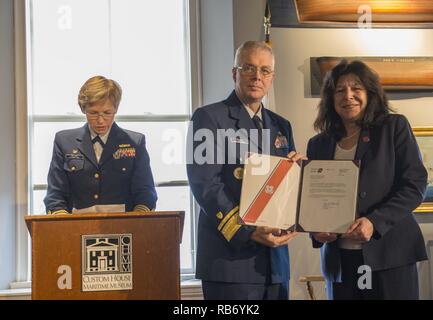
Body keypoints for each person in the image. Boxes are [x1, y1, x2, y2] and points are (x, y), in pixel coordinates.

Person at [187, 41, 302, 300]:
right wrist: (246, 232)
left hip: (275, 263)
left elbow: (284, 190)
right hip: (230, 262)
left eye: (264, 70)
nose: (256, 76)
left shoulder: (281, 126)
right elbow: (205, 185)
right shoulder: (208, 118)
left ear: (272, 77)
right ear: (234, 73)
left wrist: (298, 174)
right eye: (248, 67)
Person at [308, 60, 428, 299]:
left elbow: (414, 185)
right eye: (340, 90)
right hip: (340, 262)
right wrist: (315, 230)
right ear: (331, 98)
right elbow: (313, 199)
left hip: (390, 256)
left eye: (356, 88)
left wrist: (374, 222)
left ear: (370, 93)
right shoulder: (318, 144)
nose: (348, 96)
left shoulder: (393, 127)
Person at [44, 75, 157, 214]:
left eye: (107, 113)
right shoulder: (64, 141)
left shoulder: (134, 142)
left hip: (124, 227)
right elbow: (55, 194)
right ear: (83, 109)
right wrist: (62, 220)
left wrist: (139, 217)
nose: (101, 120)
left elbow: (146, 191)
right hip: (76, 227)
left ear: (116, 109)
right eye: (93, 113)